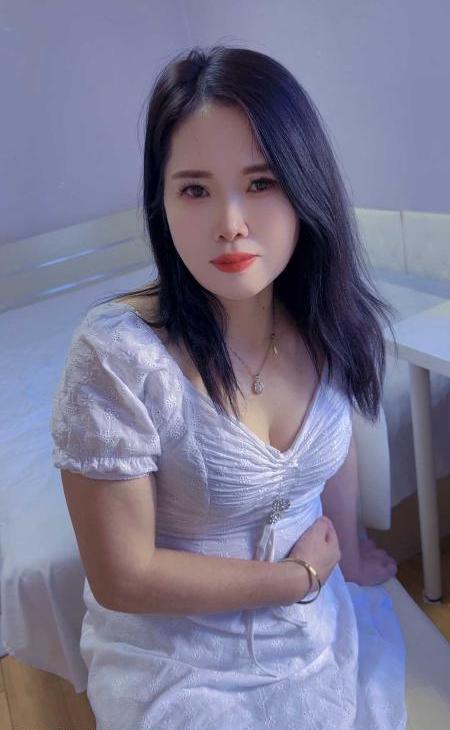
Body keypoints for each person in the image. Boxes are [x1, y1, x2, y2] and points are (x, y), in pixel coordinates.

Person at [50, 45, 407, 729]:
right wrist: (296, 579)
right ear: (161, 203)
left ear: (304, 184)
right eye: (195, 190)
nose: (231, 224)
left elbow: (333, 447)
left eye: (261, 182)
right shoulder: (118, 357)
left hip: (310, 629)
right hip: (177, 654)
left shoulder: (327, 319)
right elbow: (122, 577)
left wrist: (352, 553)